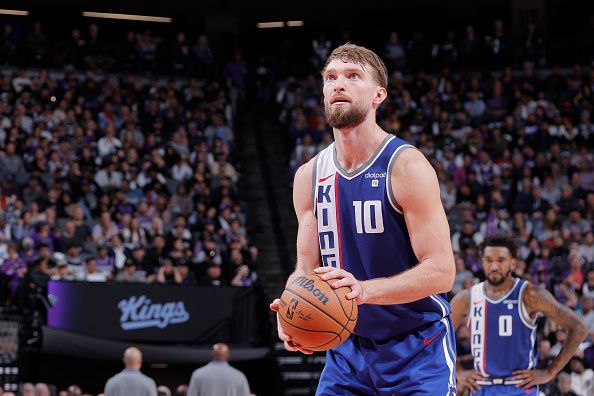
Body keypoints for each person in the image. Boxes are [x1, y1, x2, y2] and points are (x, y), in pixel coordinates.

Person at [270, 43, 457, 395]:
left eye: (353, 76)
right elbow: (305, 268)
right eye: (331, 77)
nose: (339, 84)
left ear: (378, 95)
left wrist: (363, 291)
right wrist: (292, 306)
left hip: (416, 347)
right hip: (347, 351)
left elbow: (443, 271)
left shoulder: (405, 167)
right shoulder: (309, 177)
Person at [450, 235, 588, 395]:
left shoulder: (530, 294)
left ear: (513, 263)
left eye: (501, 260)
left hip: (519, 387)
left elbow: (579, 328)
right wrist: (458, 370)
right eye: (488, 260)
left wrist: (550, 372)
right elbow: (440, 336)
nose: (494, 266)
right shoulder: (466, 298)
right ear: (482, 262)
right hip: (481, 386)